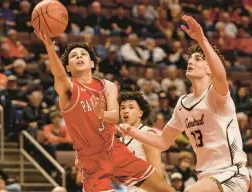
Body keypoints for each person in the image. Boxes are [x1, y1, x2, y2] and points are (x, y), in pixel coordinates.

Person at [120, 15, 250, 192]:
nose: (190, 61)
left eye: (198, 59)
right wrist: (132, 131)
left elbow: (220, 75)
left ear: (209, 68)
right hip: (206, 176)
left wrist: (202, 39)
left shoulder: (216, 95)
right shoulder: (183, 103)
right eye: (190, 58)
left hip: (231, 173)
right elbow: (163, 142)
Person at [34, 31, 174, 192]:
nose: (79, 57)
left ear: (92, 63)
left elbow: (115, 116)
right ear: (67, 67)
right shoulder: (68, 88)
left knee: (166, 189)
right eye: (74, 56)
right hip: (91, 159)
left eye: (83, 54)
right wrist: (50, 49)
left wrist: (101, 114)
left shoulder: (107, 85)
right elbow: (59, 76)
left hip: (114, 148)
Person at [118, 91, 163, 192]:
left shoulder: (147, 134)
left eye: (131, 107)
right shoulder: (119, 140)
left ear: (140, 113)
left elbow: (158, 174)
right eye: (123, 108)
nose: (126, 111)